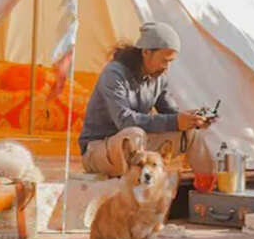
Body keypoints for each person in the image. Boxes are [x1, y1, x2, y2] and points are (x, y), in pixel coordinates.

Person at [78, 22, 215, 178]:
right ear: (146, 52)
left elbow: (172, 114)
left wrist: (192, 120)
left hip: (137, 149)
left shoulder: (159, 78)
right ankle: (133, 189)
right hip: (98, 151)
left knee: (191, 134)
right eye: (164, 60)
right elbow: (124, 121)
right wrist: (176, 121)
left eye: (170, 61)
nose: (167, 67)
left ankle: (208, 187)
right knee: (134, 134)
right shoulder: (114, 74)